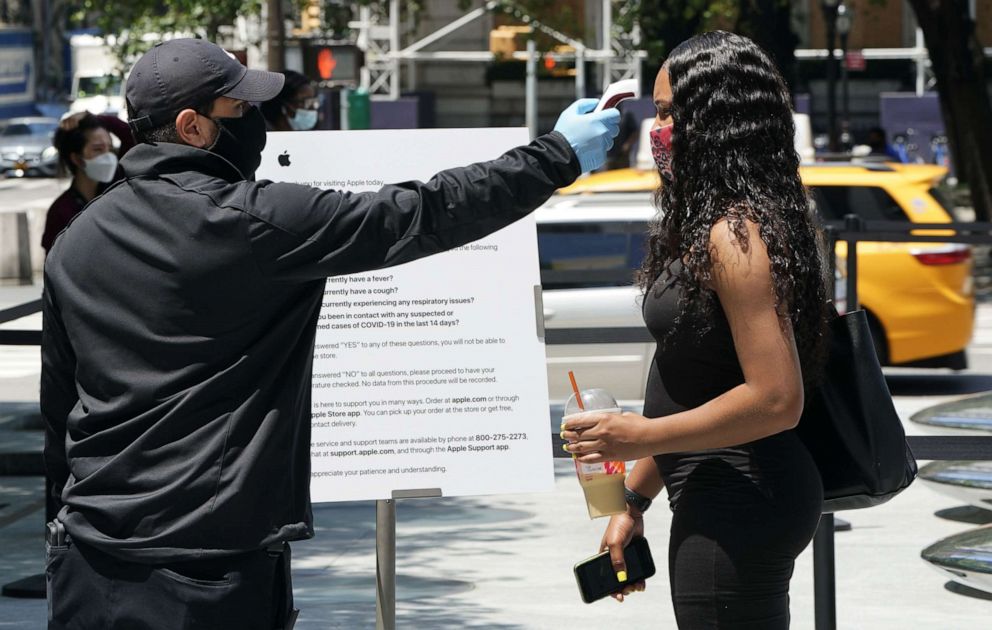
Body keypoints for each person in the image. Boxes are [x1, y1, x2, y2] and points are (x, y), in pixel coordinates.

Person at [41, 38, 618, 630]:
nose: (259, 123)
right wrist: (556, 155)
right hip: (205, 570)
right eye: (241, 110)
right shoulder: (247, 222)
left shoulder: (74, 242)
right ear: (193, 127)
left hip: (88, 563)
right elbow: (421, 213)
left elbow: (60, 411)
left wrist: (56, 545)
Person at [561, 31, 832, 629]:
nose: (656, 130)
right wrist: (634, 497)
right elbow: (698, 385)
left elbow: (776, 399)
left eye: (666, 113)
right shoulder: (725, 223)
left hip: (738, 499)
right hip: (719, 491)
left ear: (715, 120)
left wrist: (639, 435)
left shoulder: (736, 236)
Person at [41, 112, 135, 253]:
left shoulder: (116, 186)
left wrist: (94, 118)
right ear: (77, 159)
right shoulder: (60, 211)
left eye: (110, 149)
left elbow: (130, 136)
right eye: (98, 149)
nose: (108, 156)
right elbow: (53, 267)